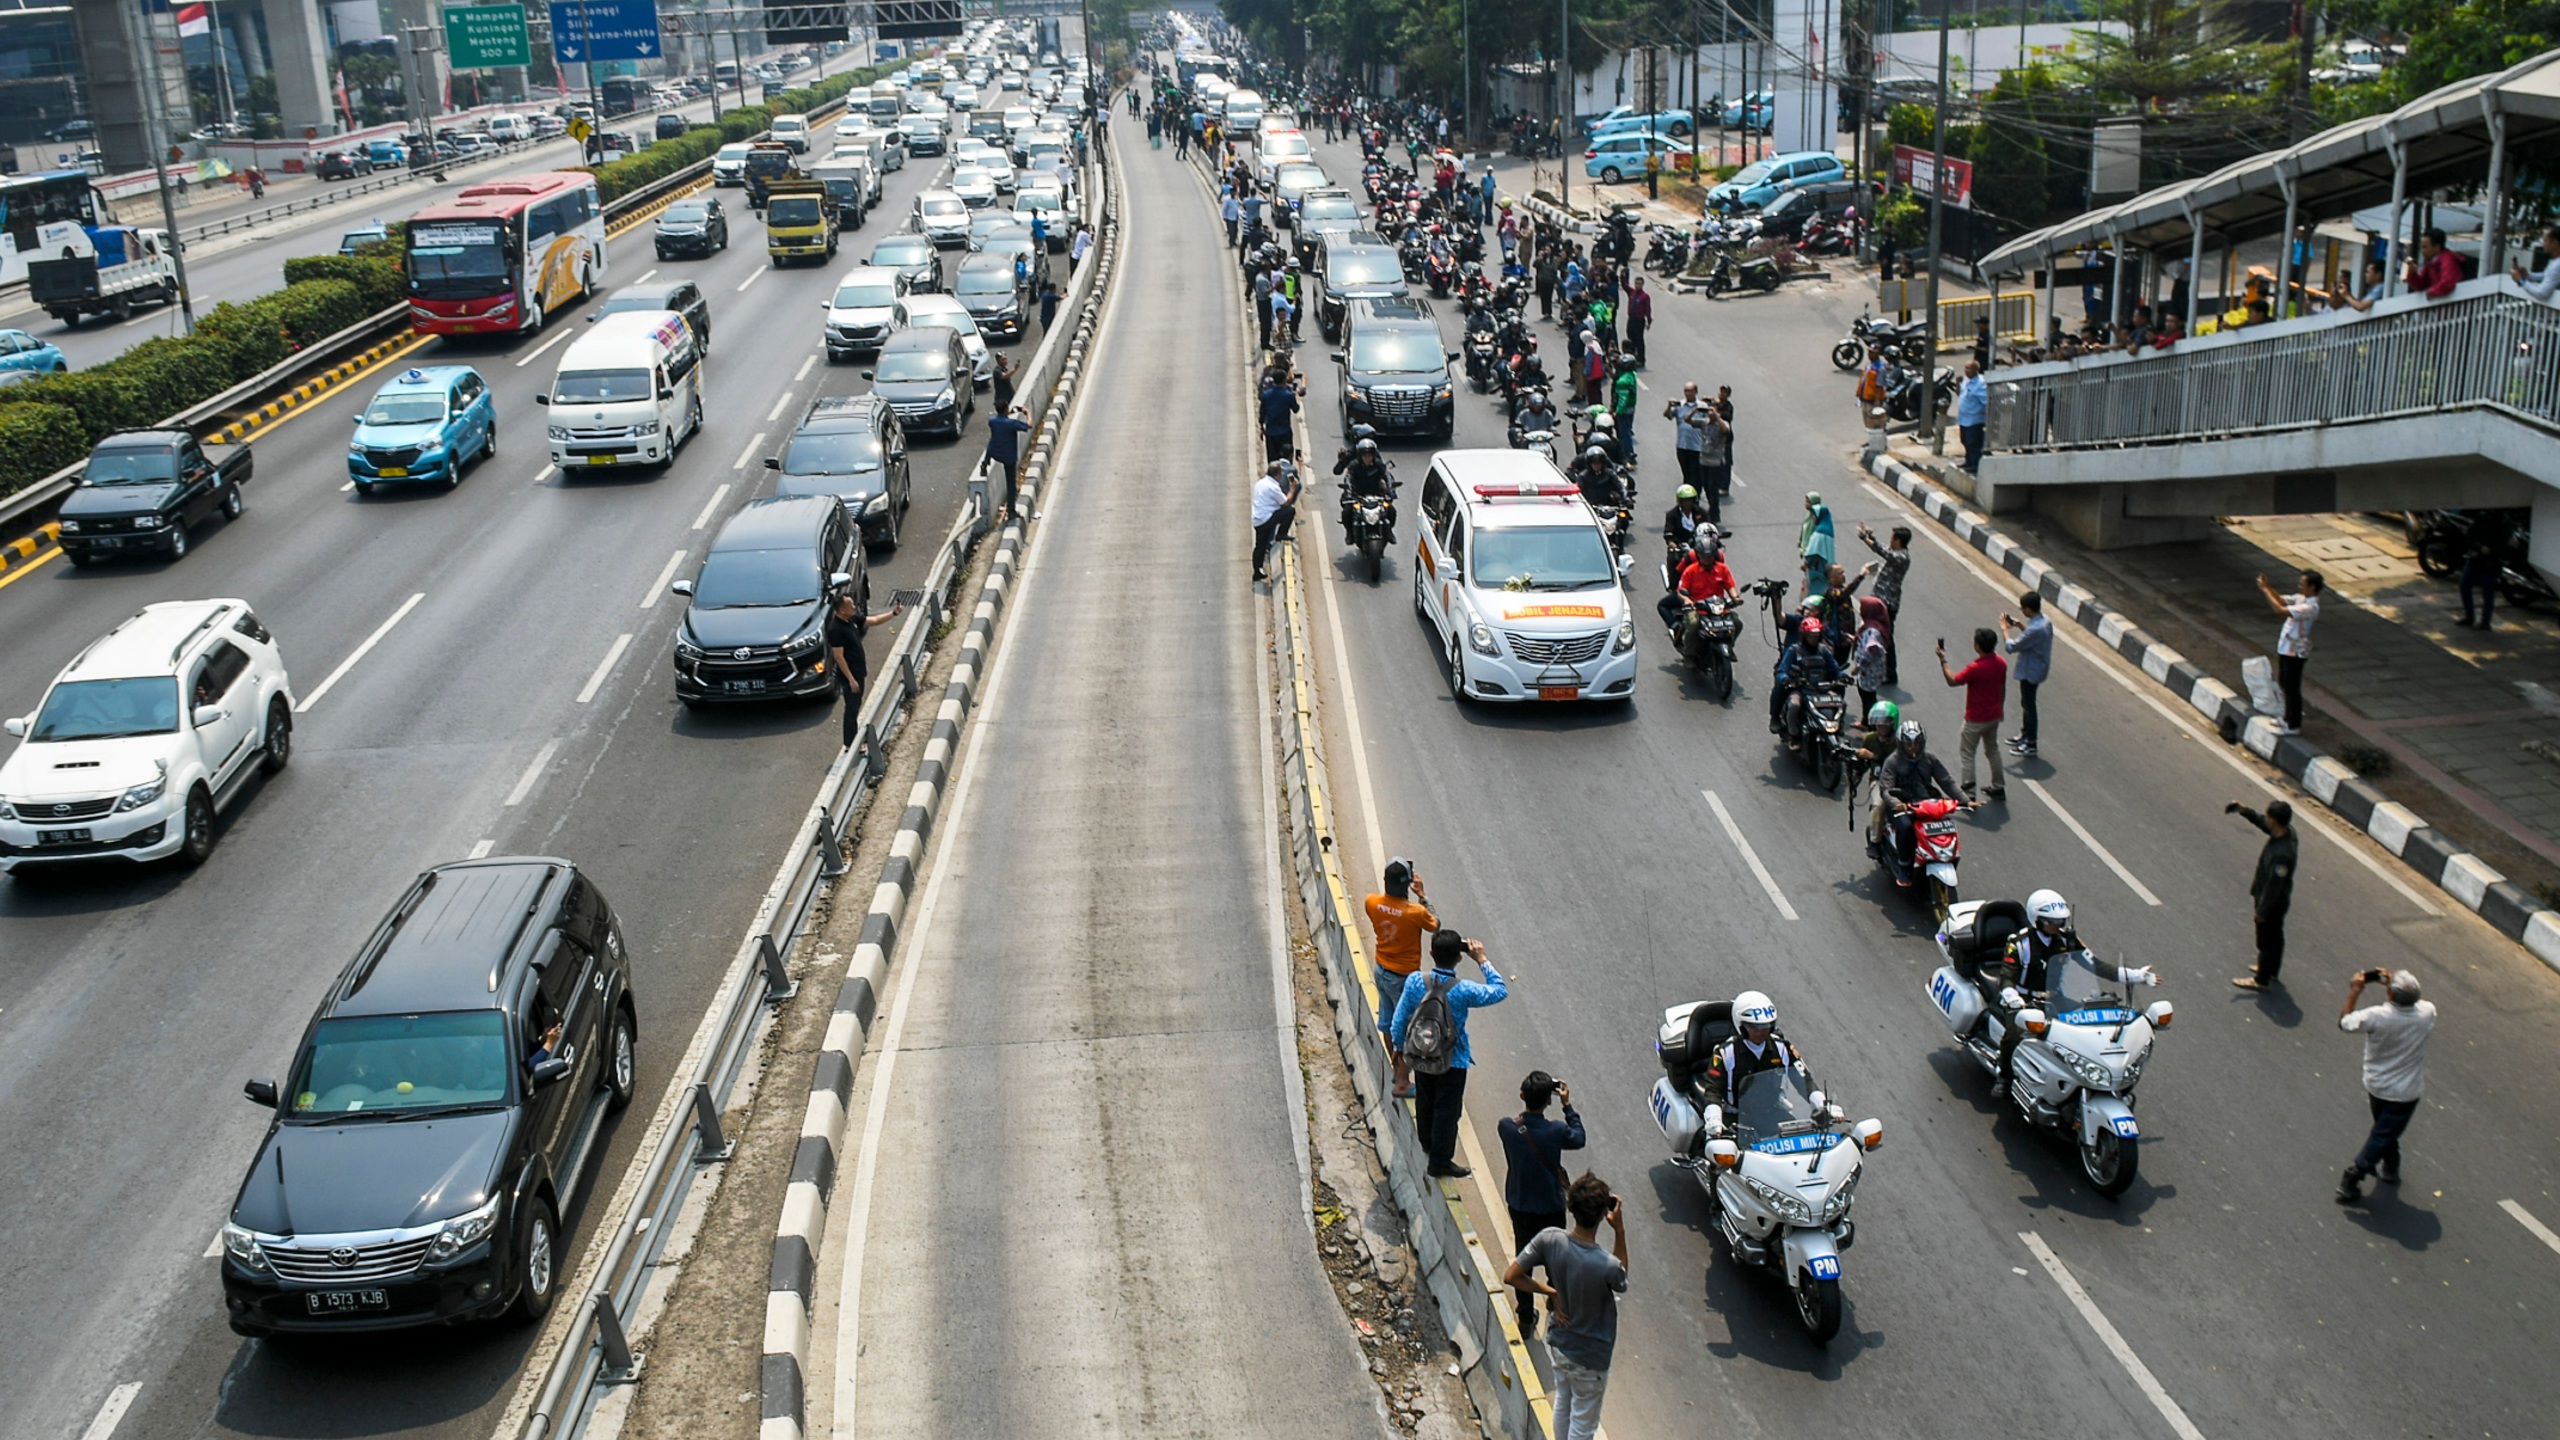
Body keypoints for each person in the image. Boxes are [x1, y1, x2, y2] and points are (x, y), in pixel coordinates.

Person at [1985, 890, 2158, 1086]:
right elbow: (2007, 976)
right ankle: (2005, 1076)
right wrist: (2012, 996)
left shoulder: (2067, 940)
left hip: (2054, 998)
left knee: (2088, 1025)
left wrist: (2135, 975)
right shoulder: (2019, 943)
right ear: (2037, 919)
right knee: (2014, 1035)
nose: (2055, 926)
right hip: (2023, 1001)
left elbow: (2095, 965)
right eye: (2050, 921)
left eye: (2059, 922)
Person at [1501, 1174, 1628, 1440]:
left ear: (1570, 1207)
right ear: (1604, 1213)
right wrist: (1619, 1230)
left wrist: (1548, 1290)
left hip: (1559, 1343)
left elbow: (1512, 1276)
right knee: (1583, 1425)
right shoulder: (1606, 1264)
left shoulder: (1550, 1238)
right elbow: (1622, 1279)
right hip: (1591, 1358)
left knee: (1564, 1403)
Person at [1391, 930, 1510, 1178]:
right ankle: (1440, 1162)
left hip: (1421, 1054)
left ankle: (1427, 1144)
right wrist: (1482, 960)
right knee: (1447, 1111)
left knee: (1425, 1100)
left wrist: (1398, 1048)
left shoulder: (1415, 981)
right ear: (1459, 958)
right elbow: (1499, 990)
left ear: (1432, 953)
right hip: (1452, 1060)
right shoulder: (1463, 989)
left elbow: (1399, 1019)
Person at [2335, 968, 2436, 1204]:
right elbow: (2415, 1001)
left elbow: (2344, 1023)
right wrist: (2394, 985)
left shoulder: (2376, 1016)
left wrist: (2355, 991)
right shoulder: (2427, 1013)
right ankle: (2355, 1174)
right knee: (2384, 1132)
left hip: (2377, 1085)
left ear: (2390, 994)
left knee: (2384, 1130)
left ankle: (2389, 1164)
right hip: (2406, 1092)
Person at [1497, 1073, 1586, 1333]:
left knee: (1523, 1260)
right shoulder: (1556, 1130)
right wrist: (1568, 1106)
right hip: (1551, 1207)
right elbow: (1579, 1138)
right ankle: (1553, 1296)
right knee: (1554, 1258)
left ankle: (1525, 1317)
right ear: (1550, 1101)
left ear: (1522, 1095)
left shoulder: (1506, 1127)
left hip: (1520, 1204)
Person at [1363, 858, 1438, 1096]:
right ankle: (1403, 1082)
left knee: (1387, 1022)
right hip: (1403, 979)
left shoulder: (1371, 902)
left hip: (1381, 969)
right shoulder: (1415, 912)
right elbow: (1435, 925)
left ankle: (1397, 1070)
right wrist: (1422, 894)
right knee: (1405, 1029)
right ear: (1407, 883)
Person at [2225, 799, 2298, 991]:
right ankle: (2271, 969)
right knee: (2276, 937)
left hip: (2272, 903)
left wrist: (2261, 911)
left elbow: (2274, 886)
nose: (2266, 819)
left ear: (2274, 821)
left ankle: (2261, 979)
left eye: (2268, 817)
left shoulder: (2282, 854)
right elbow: (2261, 823)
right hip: (2275, 900)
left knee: (2266, 940)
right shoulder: (2287, 833)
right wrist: (2243, 810)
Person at [825, 587, 906, 748]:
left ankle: (855, 739)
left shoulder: (851, 619)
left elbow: (873, 620)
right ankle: (851, 743)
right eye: (851, 605)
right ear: (842, 610)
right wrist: (851, 680)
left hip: (858, 672)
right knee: (852, 708)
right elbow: (839, 657)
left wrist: (894, 613)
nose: (854, 607)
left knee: (856, 706)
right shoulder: (836, 629)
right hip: (851, 676)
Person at [1700, 990, 1810, 1107]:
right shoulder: (1725, 1054)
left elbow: (1804, 1080)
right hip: (1736, 1116)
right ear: (1741, 1026)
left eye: (1766, 1026)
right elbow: (1713, 1090)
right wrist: (1714, 1119)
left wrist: (1820, 1104)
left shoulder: (1782, 1048)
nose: (1761, 1032)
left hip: (1771, 1110)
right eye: (1755, 1028)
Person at [1876, 720, 1961, 869]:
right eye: (1908, 744)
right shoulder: (1892, 761)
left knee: (1946, 824)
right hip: (1902, 805)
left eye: (1916, 744)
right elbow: (1886, 790)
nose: (1912, 748)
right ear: (1901, 744)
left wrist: (1965, 800)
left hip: (1926, 803)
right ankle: (1904, 864)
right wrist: (1897, 803)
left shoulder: (1930, 758)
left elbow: (1946, 781)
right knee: (1906, 828)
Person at [1938, 627, 2008, 801]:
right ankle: (1998, 787)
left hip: (1976, 718)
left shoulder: (1975, 668)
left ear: (1977, 646)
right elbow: (2002, 688)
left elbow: (1952, 681)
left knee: (1967, 754)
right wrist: (2000, 709)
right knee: (1992, 750)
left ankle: (1968, 794)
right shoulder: (2001, 663)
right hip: (1994, 716)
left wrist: (1943, 660)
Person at [2255, 568, 2322, 734]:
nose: (2300, 586)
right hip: (2286, 647)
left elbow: (2279, 609)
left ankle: (2294, 724)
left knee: (2292, 686)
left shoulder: (2309, 607)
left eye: (2303, 584)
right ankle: (2287, 716)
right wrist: (2268, 587)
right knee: (2284, 682)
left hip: (2296, 650)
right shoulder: (2301, 598)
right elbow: (2281, 600)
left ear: (2312, 587)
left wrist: (2265, 591)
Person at [1855, 521, 1912, 685]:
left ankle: (1890, 672)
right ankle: (1879, 668)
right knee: (1877, 634)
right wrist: (1870, 536)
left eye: (1892, 538)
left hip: (1888, 603)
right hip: (1880, 600)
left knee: (1886, 636)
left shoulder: (1902, 557)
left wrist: (1866, 538)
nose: (1890, 541)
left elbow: (1883, 551)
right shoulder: (1895, 552)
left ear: (1899, 541)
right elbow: (1884, 549)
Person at [1769, 614, 1843, 735]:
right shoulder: (1794, 650)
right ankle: (1792, 733)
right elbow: (1782, 671)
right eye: (1810, 636)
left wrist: (1843, 676)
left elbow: (1835, 669)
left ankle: (1837, 727)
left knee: (1841, 703)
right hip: (1801, 690)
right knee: (1794, 705)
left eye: (1816, 636)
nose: (1813, 639)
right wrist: (1787, 679)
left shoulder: (1824, 651)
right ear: (1804, 635)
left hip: (1821, 690)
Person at [2000, 592, 2052, 757]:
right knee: (2026, 703)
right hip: (2036, 667)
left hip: (2031, 671)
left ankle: (2031, 743)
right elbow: (2031, 637)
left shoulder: (2035, 629)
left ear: (2029, 608)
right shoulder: (2044, 622)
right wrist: (2020, 625)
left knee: (2029, 706)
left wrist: (2004, 630)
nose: (2022, 610)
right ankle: (2024, 734)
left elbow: (2012, 647)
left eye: (2023, 608)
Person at [2454, 509, 2515, 630]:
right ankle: (2470, 616)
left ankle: (2485, 622)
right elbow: (2470, 534)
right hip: (2476, 559)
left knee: (2488, 593)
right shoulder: (2482, 517)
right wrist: (2479, 547)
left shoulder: (2505, 523)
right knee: (2464, 586)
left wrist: (2488, 550)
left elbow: (2502, 545)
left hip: (2492, 563)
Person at [1334, 435, 1395, 537]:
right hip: (1358, 494)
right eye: (1365, 455)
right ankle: (1349, 534)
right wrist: (1349, 491)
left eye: (1369, 455)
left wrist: (1390, 489)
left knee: (1391, 511)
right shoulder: (1354, 465)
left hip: (1376, 494)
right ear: (1360, 455)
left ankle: (1389, 532)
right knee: (1346, 513)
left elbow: (1388, 476)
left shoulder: (1379, 464)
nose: (1367, 457)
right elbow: (1348, 478)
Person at [1249, 460, 1300, 581]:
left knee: (1260, 545)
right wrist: (1292, 488)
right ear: (1277, 474)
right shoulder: (1273, 487)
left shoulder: (1260, 483)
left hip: (1257, 519)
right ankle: (1281, 534)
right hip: (1267, 518)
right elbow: (1286, 502)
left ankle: (1257, 571)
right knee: (1290, 511)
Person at [981, 405, 1032, 519]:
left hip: (995, 453)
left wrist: (1009, 412)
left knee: (991, 444)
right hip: (1008, 457)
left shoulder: (992, 421)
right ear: (1006, 409)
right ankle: (1011, 511)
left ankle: (985, 463)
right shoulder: (1012, 424)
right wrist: (1027, 413)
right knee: (1011, 486)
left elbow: (1002, 420)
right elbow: (1029, 425)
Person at [1851, 596, 1891, 718]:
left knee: (1868, 697)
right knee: (1865, 695)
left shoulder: (1873, 631)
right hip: (1870, 672)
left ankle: (1871, 724)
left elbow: (1870, 650)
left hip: (1869, 672)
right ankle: (1865, 721)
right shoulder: (1871, 626)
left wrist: (1858, 667)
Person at [1661, 485, 1710, 574]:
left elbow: (1708, 526)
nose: (1688, 503)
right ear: (1680, 501)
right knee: (1673, 559)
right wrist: (1673, 544)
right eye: (1685, 500)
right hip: (1681, 546)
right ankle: (1673, 585)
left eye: (1690, 500)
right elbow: (1668, 532)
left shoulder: (1701, 512)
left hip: (1700, 546)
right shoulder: (1672, 515)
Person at [2407, 226, 2463, 300]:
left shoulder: (2448, 258)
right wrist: (2412, 275)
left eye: (2425, 247)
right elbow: (2422, 285)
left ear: (2437, 247)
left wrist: (2432, 291)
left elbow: (2448, 281)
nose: (2422, 251)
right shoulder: (2429, 263)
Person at [1954, 359, 1990, 474]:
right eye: (1965, 368)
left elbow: (1986, 401)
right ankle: (1968, 461)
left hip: (1974, 420)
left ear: (1976, 370)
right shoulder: (1965, 380)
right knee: (1965, 441)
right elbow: (1960, 393)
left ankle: (1975, 465)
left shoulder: (1980, 384)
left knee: (1974, 444)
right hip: (1963, 419)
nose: (1966, 371)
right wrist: (1957, 383)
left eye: (1969, 369)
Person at [1258, 367, 1300, 463]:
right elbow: (1296, 409)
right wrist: (1296, 396)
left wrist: (1262, 428)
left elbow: (1262, 413)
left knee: (1273, 461)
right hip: (1284, 432)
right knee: (1286, 461)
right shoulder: (1288, 395)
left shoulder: (1266, 395)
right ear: (1284, 380)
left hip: (1271, 433)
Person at [2509, 224, 2560, 302]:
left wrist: (2521, 281)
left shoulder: (2557, 266)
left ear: (2555, 243)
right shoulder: (2555, 262)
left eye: (2546, 240)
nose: (2543, 244)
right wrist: (2527, 275)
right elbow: (2546, 275)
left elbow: (2542, 293)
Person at [1798, 491, 1835, 594]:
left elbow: (1814, 551)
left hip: (1817, 567)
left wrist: (1805, 562)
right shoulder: (1828, 529)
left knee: (1815, 589)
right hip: (1825, 566)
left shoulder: (1819, 533)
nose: (1814, 518)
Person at [1609, 356, 1641, 460]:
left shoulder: (1622, 381)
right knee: (1627, 430)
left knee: (1624, 433)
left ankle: (1628, 453)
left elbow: (1622, 400)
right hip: (1631, 408)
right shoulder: (1632, 375)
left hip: (1624, 410)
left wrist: (1617, 412)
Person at [1624, 275, 1650, 368]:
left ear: (1642, 284)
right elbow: (1625, 286)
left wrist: (1649, 320)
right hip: (1631, 319)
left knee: (1639, 340)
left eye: (1640, 284)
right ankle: (1633, 356)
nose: (1638, 285)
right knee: (1630, 337)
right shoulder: (1632, 292)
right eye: (1636, 283)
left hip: (1639, 320)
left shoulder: (1645, 296)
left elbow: (1647, 309)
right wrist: (1623, 276)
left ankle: (1641, 359)